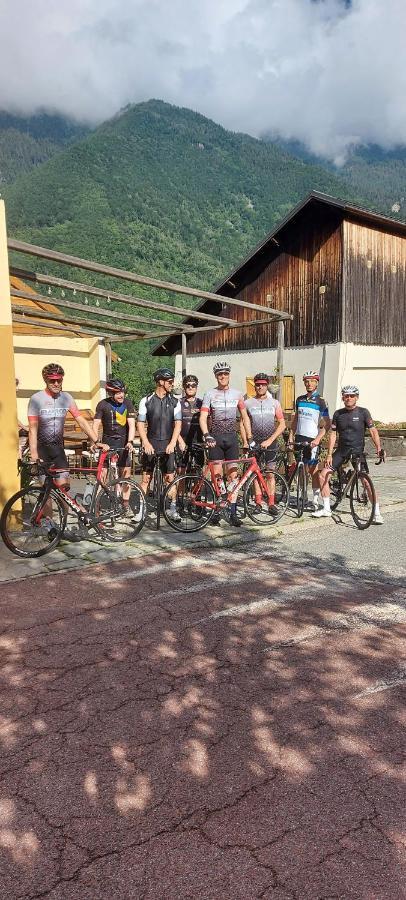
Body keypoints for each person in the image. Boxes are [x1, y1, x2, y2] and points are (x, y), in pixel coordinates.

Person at [27, 364, 97, 530]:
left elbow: (80, 419)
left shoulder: (67, 398)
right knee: (47, 492)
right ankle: (50, 526)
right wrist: (34, 454)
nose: (57, 383)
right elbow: (32, 428)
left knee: (64, 490)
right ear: (46, 380)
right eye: (53, 380)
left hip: (58, 450)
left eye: (59, 380)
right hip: (43, 451)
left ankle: (63, 525)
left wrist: (95, 439)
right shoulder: (36, 399)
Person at [313, 385, 384, 523]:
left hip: (357, 452)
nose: (349, 398)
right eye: (346, 396)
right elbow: (333, 434)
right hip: (342, 452)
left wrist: (379, 448)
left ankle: (377, 513)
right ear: (343, 397)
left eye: (352, 396)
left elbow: (373, 431)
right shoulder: (338, 414)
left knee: (366, 482)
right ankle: (327, 508)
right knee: (323, 475)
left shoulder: (363, 412)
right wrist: (329, 454)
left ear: (356, 397)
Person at [199, 361, 254, 527]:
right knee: (217, 477)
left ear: (229, 375)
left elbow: (244, 417)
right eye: (219, 374)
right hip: (215, 438)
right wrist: (206, 434)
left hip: (231, 439)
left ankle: (232, 511)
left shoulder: (237, 394)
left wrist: (249, 437)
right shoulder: (209, 394)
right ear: (216, 376)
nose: (223, 377)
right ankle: (217, 509)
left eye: (225, 374)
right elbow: (202, 418)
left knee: (233, 477)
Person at [137, 367, 182, 521]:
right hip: (151, 443)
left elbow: (178, 425)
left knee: (170, 478)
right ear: (161, 382)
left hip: (168, 444)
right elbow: (140, 424)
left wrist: (173, 443)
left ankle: (173, 508)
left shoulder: (175, 401)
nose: (172, 384)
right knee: (145, 478)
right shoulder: (146, 400)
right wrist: (146, 443)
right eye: (170, 381)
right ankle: (141, 510)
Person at [244, 373, 286, 515]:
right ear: (254, 386)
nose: (260, 386)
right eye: (257, 384)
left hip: (271, 442)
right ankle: (258, 503)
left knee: (270, 474)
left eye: (262, 384)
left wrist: (271, 439)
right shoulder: (248, 403)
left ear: (267, 385)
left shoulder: (274, 403)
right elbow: (244, 422)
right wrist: (247, 440)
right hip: (254, 442)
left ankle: (271, 503)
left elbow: (282, 424)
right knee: (255, 474)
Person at [92, 378, 136, 515]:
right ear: (110, 393)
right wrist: (95, 442)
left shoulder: (128, 403)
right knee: (103, 475)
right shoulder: (102, 404)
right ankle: (97, 506)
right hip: (107, 442)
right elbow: (95, 425)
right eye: (117, 393)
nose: (121, 395)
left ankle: (125, 504)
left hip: (123, 442)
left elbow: (132, 425)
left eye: (122, 391)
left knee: (126, 474)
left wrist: (130, 441)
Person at [288, 370, 331, 510]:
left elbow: (327, 423)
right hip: (299, 438)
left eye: (312, 381)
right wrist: (290, 435)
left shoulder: (321, 400)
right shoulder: (299, 399)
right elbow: (295, 420)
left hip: (312, 439)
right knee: (301, 469)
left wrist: (318, 439)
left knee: (312, 470)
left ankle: (315, 500)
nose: (309, 383)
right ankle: (303, 498)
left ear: (316, 383)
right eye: (307, 381)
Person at [177, 374, 204, 468]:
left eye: (193, 385)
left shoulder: (202, 403)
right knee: (181, 471)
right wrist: (180, 441)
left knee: (198, 471)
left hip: (198, 441)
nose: (190, 387)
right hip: (182, 440)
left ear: (196, 387)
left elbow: (208, 421)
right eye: (188, 385)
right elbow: (173, 424)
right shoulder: (178, 403)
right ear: (184, 387)